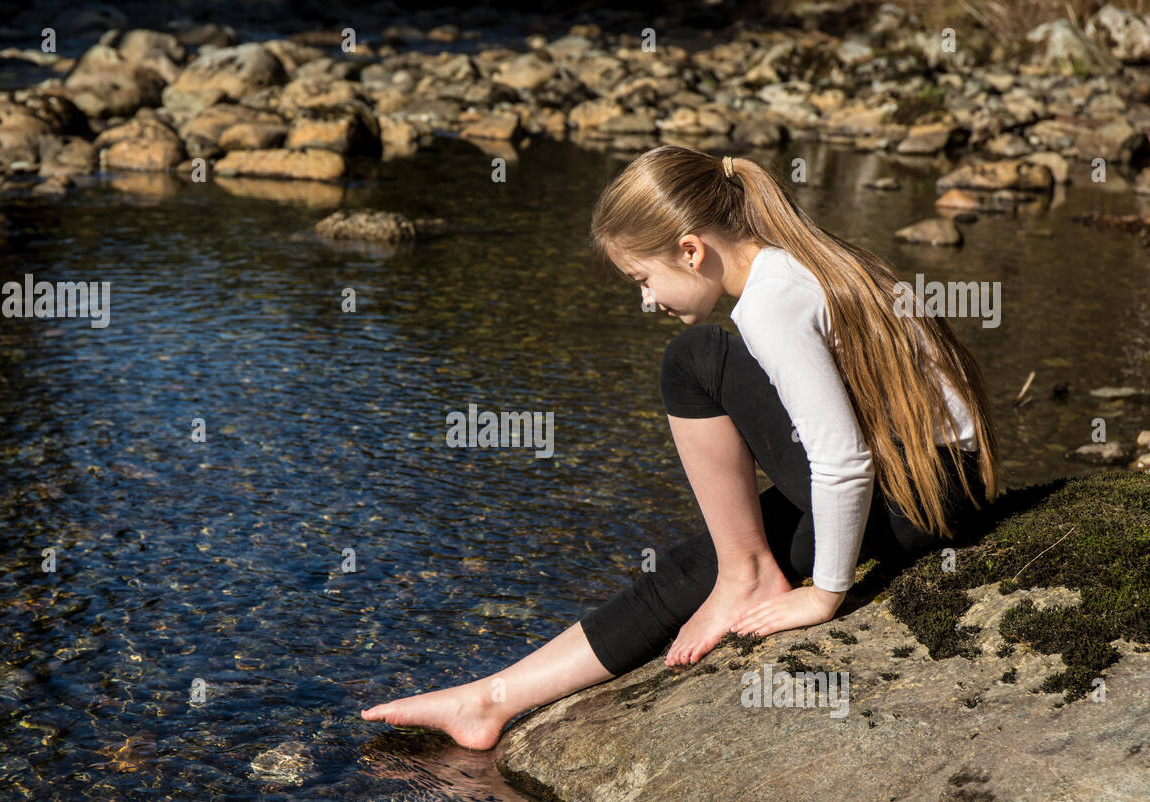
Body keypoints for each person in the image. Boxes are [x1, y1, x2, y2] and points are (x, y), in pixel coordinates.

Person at [361, 145, 1001, 751]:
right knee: (706, 565)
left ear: (691, 251)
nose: (645, 300)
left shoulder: (774, 300)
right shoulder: (799, 259)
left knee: (695, 360)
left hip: (917, 497)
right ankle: (493, 699)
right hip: (933, 492)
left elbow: (842, 461)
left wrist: (824, 596)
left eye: (642, 278)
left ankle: (746, 574)